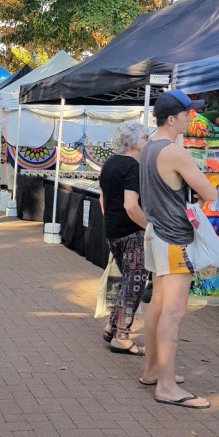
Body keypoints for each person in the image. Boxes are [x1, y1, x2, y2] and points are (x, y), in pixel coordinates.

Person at [139, 90, 217, 409]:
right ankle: (167, 387)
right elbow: (209, 190)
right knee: (173, 311)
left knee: (159, 305)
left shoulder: (147, 148)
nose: (192, 117)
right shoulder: (173, 152)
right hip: (174, 238)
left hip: (157, 234)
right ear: (172, 118)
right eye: (187, 113)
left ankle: (153, 372)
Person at [98, 121, 150, 354]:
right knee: (135, 283)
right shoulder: (132, 167)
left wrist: (111, 221)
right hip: (131, 232)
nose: (147, 140)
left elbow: (103, 199)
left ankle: (113, 325)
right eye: (144, 137)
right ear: (130, 142)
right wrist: (149, 227)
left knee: (128, 281)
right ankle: (121, 335)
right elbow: (131, 205)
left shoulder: (110, 163)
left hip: (114, 231)